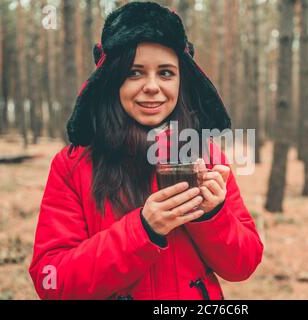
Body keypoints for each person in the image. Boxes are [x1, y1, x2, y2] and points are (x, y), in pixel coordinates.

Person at [29, 1, 263, 300]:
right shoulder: (72, 165)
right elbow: (51, 281)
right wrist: (143, 231)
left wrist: (213, 215)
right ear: (112, 81)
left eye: (166, 73)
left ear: (181, 81)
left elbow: (243, 265)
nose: (152, 86)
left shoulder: (207, 156)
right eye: (134, 73)